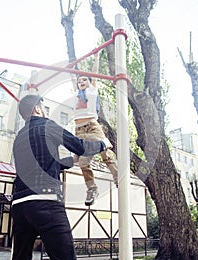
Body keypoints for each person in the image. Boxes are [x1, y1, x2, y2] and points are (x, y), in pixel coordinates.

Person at [11, 94, 112, 260]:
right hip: (45, 202)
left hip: (20, 206)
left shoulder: (18, 137)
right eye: (44, 108)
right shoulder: (46, 125)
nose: (45, 112)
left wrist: (71, 161)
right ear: (37, 108)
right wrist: (103, 144)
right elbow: (80, 146)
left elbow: (46, 164)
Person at [73, 53, 118, 206]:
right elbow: (73, 77)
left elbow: (94, 73)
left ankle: (118, 176)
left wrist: (96, 57)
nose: (81, 82)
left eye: (84, 79)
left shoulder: (92, 90)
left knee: (106, 154)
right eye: (79, 81)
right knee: (83, 163)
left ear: (89, 81)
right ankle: (92, 188)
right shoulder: (76, 94)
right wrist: (73, 66)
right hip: (79, 131)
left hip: (92, 126)